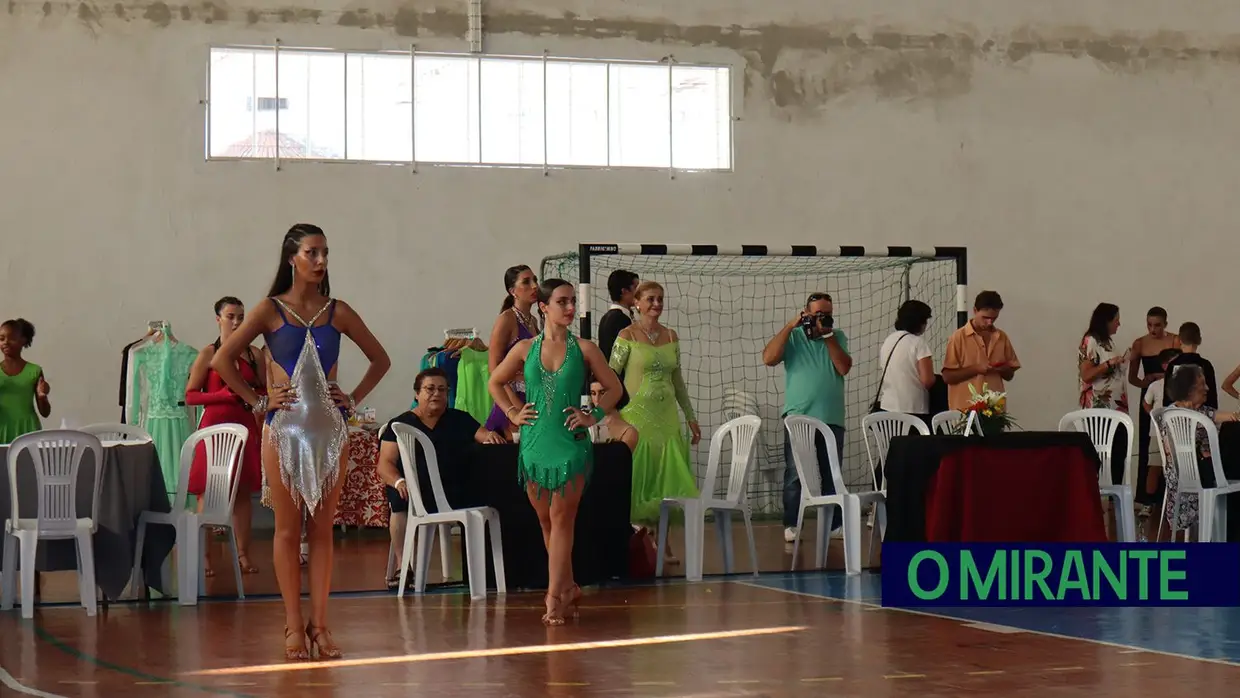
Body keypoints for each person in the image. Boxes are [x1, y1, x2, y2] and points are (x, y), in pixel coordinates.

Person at [212, 223, 390, 660]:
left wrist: (352, 398)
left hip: (331, 431)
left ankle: (322, 625)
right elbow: (223, 358)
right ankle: (293, 626)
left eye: (325, 252)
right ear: (292, 257)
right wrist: (257, 400)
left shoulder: (338, 311)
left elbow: (380, 359)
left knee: (323, 532)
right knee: (288, 532)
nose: (321, 261)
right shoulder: (269, 310)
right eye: (312, 252)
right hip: (282, 430)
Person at [488, 278, 622, 625]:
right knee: (546, 521)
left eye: (572, 301)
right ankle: (569, 586)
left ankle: (553, 597)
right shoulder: (523, 348)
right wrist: (513, 411)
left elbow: (614, 388)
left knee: (562, 518)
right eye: (562, 301)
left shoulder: (586, 348)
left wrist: (591, 415)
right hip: (533, 443)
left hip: (570, 444)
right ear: (544, 307)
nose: (570, 308)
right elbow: (495, 381)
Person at [376, 367, 504, 589]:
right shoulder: (400, 424)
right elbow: (384, 464)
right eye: (430, 389)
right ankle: (402, 567)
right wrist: (399, 481)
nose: (436, 394)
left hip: (453, 488)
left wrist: (491, 437)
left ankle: (488, 573)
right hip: (414, 491)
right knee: (398, 498)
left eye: (442, 390)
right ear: (417, 394)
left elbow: (483, 436)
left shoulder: (459, 419)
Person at [609, 281, 702, 524]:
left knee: (666, 479)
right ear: (637, 302)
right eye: (651, 299)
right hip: (637, 416)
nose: (657, 304)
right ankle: (638, 539)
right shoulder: (626, 335)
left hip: (668, 416)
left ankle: (664, 541)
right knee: (641, 473)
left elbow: (678, 380)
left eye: (660, 298)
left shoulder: (671, 335)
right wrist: (610, 414)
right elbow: (610, 376)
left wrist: (690, 416)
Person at [762, 292, 852, 543]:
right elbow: (768, 358)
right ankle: (792, 523)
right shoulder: (793, 338)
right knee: (794, 472)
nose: (823, 318)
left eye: (828, 314)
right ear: (806, 313)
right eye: (818, 314)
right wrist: (792, 325)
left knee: (832, 472)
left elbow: (843, 367)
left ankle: (835, 524)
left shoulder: (838, 337)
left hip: (831, 416)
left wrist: (828, 336)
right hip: (798, 416)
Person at [185, 296, 265, 576]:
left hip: (244, 427)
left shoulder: (255, 355)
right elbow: (191, 395)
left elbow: (263, 392)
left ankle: (243, 554)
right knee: (208, 491)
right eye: (231, 316)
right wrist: (221, 395)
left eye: (241, 317)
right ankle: (205, 556)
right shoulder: (208, 354)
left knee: (243, 493)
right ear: (218, 319)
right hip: (215, 429)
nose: (237, 322)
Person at [1157, 364, 1239, 540]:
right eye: (1203, 384)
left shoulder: (1201, 411)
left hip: (1208, 471)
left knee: (1233, 430)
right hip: (1191, 476)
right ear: (1189, 389)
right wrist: (1203, 454)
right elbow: (1174, 453)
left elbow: (1229, 416)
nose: (1207, 388)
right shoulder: (1173, 415)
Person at [1128, 306, 1180, 510]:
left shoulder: (1175, 341)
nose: (1153, 329)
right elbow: (1133, 377)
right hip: (1150, 396)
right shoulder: (1140, 343)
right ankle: (1147, 497)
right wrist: (1147, 382)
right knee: (1147, 444)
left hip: (1172, 394)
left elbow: (1184, 371)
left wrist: (1164, 378)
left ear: (1165, 324)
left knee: (1173, 444)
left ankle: (1171, 496)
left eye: (1157, 325)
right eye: (1149, 325)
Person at [1077, 303, 1130, 489]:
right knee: (1100, 456)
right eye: (1116, 320)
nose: (1119, 324)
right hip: (1099, 409)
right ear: (1106, 321)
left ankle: (1115, 498)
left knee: (1118, 455)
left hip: (1117, 408)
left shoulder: (1108, 341)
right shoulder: (1091, 340)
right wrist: (1109, 364)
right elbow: (1087, 374)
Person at [485, 265, 540, 440]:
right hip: (510, 404)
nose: (534, 286)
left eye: (535, 280)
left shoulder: (533, 321)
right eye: (526, 282)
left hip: (530, 399)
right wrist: (513, 407)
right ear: (513, 291)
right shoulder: (506, 319)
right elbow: (494, 369)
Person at [943, 290, 1020, 412]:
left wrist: (1003, 369)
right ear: (975, 311)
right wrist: (975, 369)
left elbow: (1009, 375)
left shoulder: (1002, 337)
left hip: (995, 410)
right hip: (965, 410)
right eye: (985, 318)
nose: (989, 322)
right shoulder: (958, 338)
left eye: (994, 318)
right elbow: (947, 377)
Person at [876, 300, 936, 425]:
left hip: (888, 407)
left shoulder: (889, 340)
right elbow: (927, 380)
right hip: (913, 409)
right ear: (920, 322)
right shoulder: (918, 343)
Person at [0, 319, 50, 443]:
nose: (5, 342)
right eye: (1, 339)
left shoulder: (35, 371)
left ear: (23, 340)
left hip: (28, 429)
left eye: (11, 338)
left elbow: (45, 413)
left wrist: (42, 396)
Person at [1162, 322, 1217, 408]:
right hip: (1201, 417)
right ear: (1199, 340)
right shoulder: (1206, 365)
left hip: (1175, 416)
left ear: (1180, 340)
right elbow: (1212, 399)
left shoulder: (1172, 365)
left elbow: (1167, 398)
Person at [597, 269, 639, 361]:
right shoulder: (620, 319)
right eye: (636, 288)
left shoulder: (608, 317)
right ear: (624, 291)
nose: (640, 293)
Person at [588, 379, 638, 452]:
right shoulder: (587, 422)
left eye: (602, 392)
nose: (597, 399)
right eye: (593, 393)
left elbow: (619, 460)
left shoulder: (629, 432)